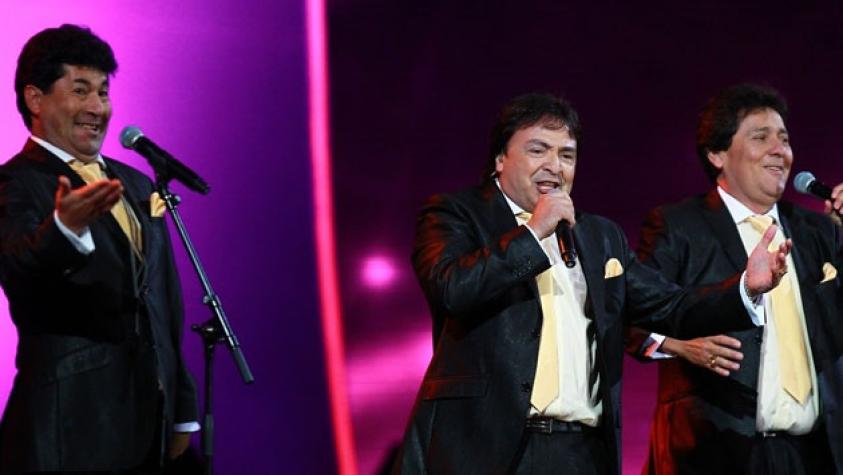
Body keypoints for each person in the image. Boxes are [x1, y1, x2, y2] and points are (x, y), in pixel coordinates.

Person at [392, 92, 790, 475]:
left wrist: (746, 287)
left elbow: (671, 306)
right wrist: (534, 233)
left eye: (566, 155)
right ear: (500, 159)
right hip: (487, 449)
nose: (554, 166)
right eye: (538, 150)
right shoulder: (455, 213)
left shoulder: (599, 236)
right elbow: (452, 289)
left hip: (580, 451)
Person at [0, 24, 199, 473]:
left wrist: (182, 405)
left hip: (150, 423)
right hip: (70, 425)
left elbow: (164, 300)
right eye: (80, 90)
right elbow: (18, 264)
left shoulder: (137, 183)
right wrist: (64, 229)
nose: (97, 108)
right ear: (35, 99)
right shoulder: (15, 182)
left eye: (103, 92)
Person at [629, 83, 843, 474]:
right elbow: (630, 314)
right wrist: (678, 345)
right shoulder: (678, 225)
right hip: (714, 452)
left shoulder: (820, 231)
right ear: (717, 153)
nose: (779, 150)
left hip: (812, 455)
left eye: (784, 139)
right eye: (761, 137)